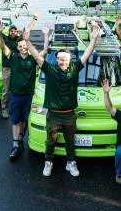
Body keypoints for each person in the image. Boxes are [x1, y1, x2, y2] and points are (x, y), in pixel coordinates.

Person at [25, 21, 100, 177]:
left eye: (65, 59)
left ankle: (71, 163)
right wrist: (27, 41)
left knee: (70, 141)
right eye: (60, 59)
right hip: (53, 115)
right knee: (50, 141)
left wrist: (93, 39)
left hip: (69, 115)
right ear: (56, 59)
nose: (62, 61)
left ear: (70, 59)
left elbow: (87, 55)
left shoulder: (74, 68)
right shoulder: (50, 69)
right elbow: (37, 57)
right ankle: (48, 163)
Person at [0, 15, 50, 160]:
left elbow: (45, 50)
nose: (23, 48)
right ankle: (15, 145)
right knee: (15, 120)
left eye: (25, 46)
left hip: (29, 96)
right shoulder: (13, 57)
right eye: (20, 46)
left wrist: (46, 35)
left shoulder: (33, 59)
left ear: (28, 46)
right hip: (15, 95)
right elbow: (3, 47)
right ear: (18, 48)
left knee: (25, 120)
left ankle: (20, 139)